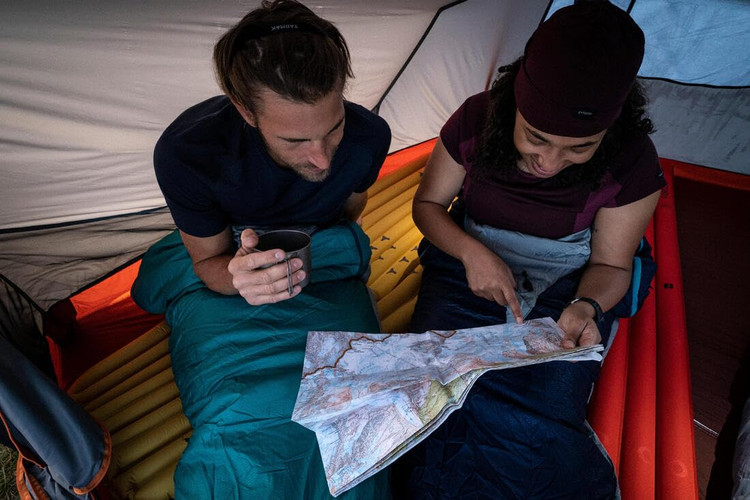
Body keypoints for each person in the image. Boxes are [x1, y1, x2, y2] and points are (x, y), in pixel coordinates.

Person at [392, 1, 665, 498]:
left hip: (568, 278)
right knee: (430, 396)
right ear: (513, 106)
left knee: (538, 417)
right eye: (535, 138)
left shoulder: (632, 160)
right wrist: (472, 253)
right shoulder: (477, 118)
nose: (550, 162)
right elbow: (428, 206)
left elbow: (610, 263)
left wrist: (585, 307)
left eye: (580, 148)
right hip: (466, 261)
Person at [133, 1, 391, 498]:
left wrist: (323, 250)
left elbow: (346, 215)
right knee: (242, 429)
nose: (322, 158)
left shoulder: (368, 137)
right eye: (295, 140)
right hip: (226, 278)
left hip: (322, 265)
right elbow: (206, 263)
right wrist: (238, 276)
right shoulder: (190, 153)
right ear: (245, 111)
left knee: (356, 418)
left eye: (333, 128)